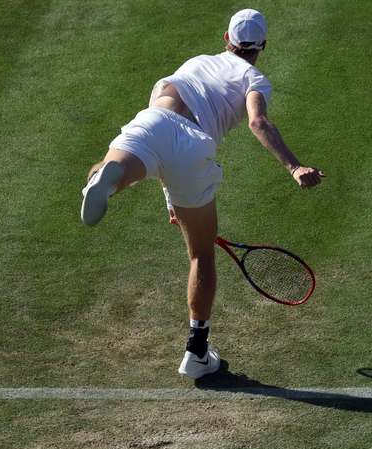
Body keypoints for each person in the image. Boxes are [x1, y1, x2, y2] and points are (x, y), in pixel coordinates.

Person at [80, 9, 324, 379]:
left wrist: (168, 197)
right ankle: (196, 352)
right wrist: (294, 167)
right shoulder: (254, 78)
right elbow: (258, 121)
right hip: (193, 149)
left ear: (226, 40)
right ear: (263, 47)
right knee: (201, 254)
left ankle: (107, 181)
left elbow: (163, 136)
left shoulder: (197, 62)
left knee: (113, 166)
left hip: (154, 122)